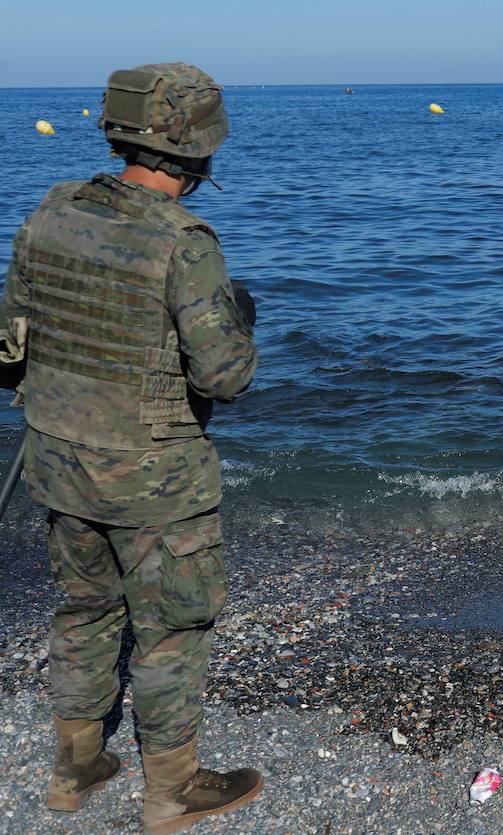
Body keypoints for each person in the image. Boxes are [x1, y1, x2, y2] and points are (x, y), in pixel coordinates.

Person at [0, 63, 263, 832]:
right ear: (197, 150)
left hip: (57, 459)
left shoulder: (52, 212)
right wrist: (239, 320)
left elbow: (7, 351)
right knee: (173, 628)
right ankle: (171, 791)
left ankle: (73, 770)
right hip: (155, 477)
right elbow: (225, 377)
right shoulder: (185, 242)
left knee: (83, 608)